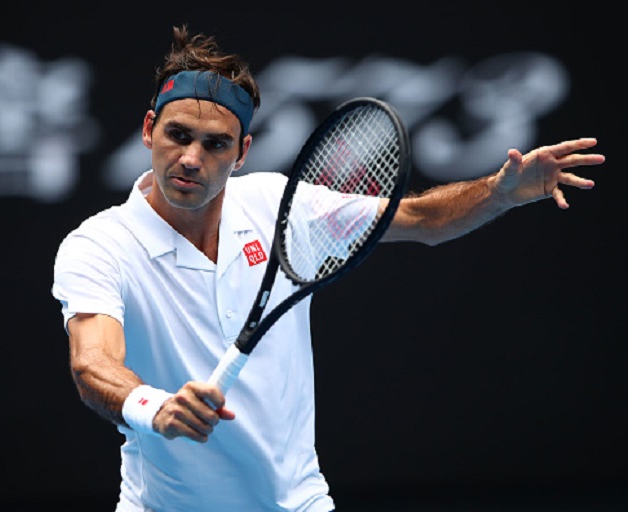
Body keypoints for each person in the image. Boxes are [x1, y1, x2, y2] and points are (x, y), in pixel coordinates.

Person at [51, 24, 605, 512]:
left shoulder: (282, 207)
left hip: (296, 502)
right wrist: (155, 405)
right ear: (149, 130)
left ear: (242, 152)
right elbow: (93, 362)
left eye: (215, 144)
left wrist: (500, 192)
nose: (191, 157)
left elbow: (420, 217)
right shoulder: (100, 245)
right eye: (178, 135)